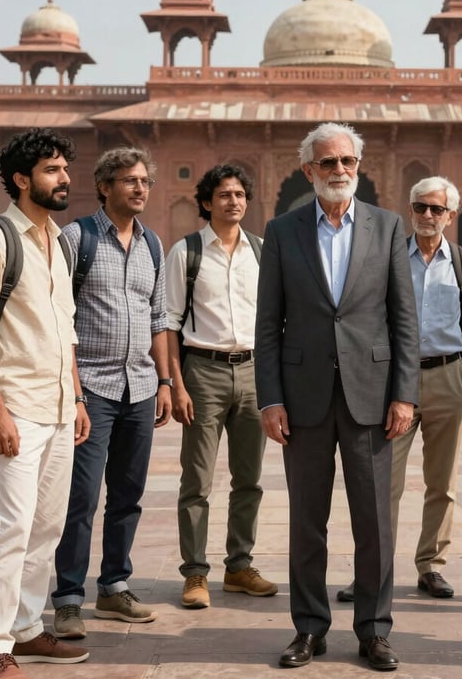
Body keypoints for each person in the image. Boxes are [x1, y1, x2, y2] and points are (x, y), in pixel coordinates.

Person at [255, 122, 419, 672]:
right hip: (302, 398)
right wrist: (269, 398)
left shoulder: (387, 226)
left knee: (374, 521)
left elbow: (404, 319)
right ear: (308, 171)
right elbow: (267, 324)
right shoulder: (283, 231)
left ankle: (374, 630)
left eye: (348, 161)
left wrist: (405, 394)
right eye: (328, 163)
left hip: (371, 396)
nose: (340, 171)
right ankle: (309, 628)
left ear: (359, 166)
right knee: (307, 520)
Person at [0, 128, 91, 679]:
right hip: (17, 408)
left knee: (46, 527)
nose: (65, 179)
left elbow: (66, 329)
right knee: (9, 528)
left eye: (64, 169)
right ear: (20, 179)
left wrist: (77, 397)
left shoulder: (56, 241)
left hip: (57, 408)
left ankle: (28, 628)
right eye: (53, 170)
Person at [337, 175, 462, 603]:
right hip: (392, 382)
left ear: (451, 216)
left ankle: (432, 566)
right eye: (420, 207)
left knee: (443, 481)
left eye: (437, 209)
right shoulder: (386, 257)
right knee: (381, 482)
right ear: (410, 210)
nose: (428, 216)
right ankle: (373, 571)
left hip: (446, 375)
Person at [51, 147, 171, 638]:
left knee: (128, 494)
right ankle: (68, 598)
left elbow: (158, 318)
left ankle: (115, 585)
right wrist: (75, 396)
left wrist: (164, 381)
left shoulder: (153, 246)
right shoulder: (77, 239)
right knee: (80, 496)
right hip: (94, 388)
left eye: (144, 180)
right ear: (104, 186)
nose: (139, 188)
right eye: (128, 181)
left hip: (139, 386)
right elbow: (61, 322)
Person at [165, 164, 277, 610]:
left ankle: (238, 567)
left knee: (249, 479)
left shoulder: (262, 252)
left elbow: (274, 322)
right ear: (207, 203)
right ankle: (195, 573)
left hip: (253, 371)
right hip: (204, 372)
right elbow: (169, 322)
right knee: (197, 479)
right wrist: (175, 383)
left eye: (239, 194)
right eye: (224, 195)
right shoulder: (186, 252)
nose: (233, 201)